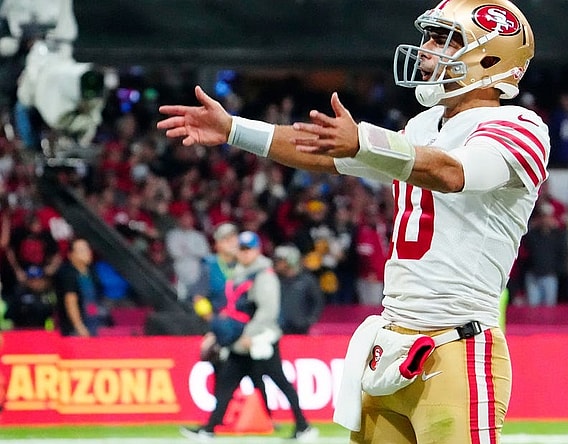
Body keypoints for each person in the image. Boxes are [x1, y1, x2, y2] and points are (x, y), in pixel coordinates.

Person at [159, 1, 547, 441]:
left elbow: (450, 172)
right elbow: (327, 153)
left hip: (457, 345)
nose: (426, 50)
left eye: (444, 40)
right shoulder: (421, 127)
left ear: (490, 57)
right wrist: (234, 129)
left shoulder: (519, 126)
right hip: (390, 342)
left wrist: (362, 140)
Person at [180, 231, 316, 441]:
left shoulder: (263, 274)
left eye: (248, 249)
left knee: (279, 381)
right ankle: (209, 428)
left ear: (257, 250)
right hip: (242, 339)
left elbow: (267, 310)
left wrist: (251, 334)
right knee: (227, 381)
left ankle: (303, 426)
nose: (243, 253)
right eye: (241, 249)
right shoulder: (241, 272)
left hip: (260, 339)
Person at [53, 238, 106, 337]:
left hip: (94, 322)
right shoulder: (67, 274)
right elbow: (70, 300)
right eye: (82, 250)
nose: (87, 253)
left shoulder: (91, 272)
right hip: (76, 329)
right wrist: (79, 326)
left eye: (87, 249)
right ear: (71, 255)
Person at [273, 244, 324, 335]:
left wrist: (309, 320)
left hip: (301, 329)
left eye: (280, 260)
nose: (276, 263)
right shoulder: (273, 279)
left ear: (291, 261)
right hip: (278, 329)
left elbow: (317, 302)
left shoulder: (307, 280)